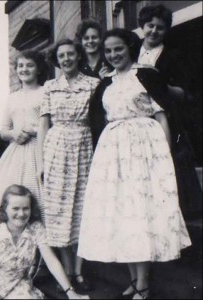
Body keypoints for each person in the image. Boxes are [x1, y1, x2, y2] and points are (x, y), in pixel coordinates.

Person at [78, 28, 191, 300]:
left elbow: (162, 115)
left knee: (139, 212)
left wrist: (163, 155)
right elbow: (99, 119)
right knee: (121, 213)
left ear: (129, 47)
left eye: (118, 48)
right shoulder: (105, 83)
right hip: (113, 151)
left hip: (144, 148)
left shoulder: (146, 75)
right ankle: (133, 278)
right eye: (108, 51)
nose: (113, 54)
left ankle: (143, 283)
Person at [37, 39, 99, 294]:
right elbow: (43, 125)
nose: (66, 59)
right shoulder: (50, 87)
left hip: (84, 147)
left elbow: (98, 121)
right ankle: (67, 269)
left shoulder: (93, 84)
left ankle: (79, 270)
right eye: (61, 55)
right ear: (56, 59)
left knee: (83, 208)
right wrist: (41, 162)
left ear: (78, 56)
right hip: (56, 149)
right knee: (60, 210)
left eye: (70, 54)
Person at [136, 4, 202, 219]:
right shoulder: (129, 51)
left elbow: (185, 92)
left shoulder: (174, 56)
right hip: (135, 123)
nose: (154, 31)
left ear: (166, 31)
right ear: (142, 26)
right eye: (150, 26)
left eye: (160, 28)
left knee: (168, 176)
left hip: (166, 122)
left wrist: (160, 84)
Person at [0, 184, 89, 299]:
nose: (21, 214)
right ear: (4, 208)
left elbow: (52, 261)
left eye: (25, 208)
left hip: (18, 287)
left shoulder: (36, 229)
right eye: (15, 208)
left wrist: (70, 292)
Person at [0, 50, 48, 222]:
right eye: (21, 66)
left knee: (38, 193)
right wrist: (14, 134)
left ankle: (40, 239)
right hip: (15, 153)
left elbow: (50, 125)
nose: (25, 69)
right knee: (11, 192)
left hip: (38, 149)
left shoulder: (46, 92)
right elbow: (4, 130)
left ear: (38, 69)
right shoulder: (12, 98)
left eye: (30, 65)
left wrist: (33, 131)